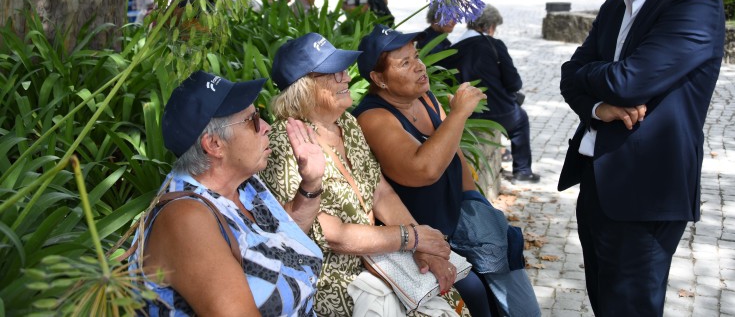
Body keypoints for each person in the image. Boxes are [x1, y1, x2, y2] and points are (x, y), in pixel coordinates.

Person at [558, 0, 726, 316]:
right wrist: (599, 106)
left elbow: (628, 82)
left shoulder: (695, 1)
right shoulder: (618, 5)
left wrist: (593, 77)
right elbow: (568, 77)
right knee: (606, 304)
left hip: (644, 192)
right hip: (598, 181)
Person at [261, 33, 459, 316]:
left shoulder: (347, 123)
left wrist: (422, 245)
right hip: (334, 277)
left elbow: (380, 191)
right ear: (303, 89)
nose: (345, 77)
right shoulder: (285, 141)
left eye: (343, 69)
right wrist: (410, 238)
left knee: (449, 296)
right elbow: (330, 234)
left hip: (379, 257)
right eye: (333, 73)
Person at [353, 25, 542, 317]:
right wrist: (459, 113)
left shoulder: (423, 98)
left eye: (416, 56)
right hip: (424, 233)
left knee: (515, 289)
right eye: (405, 63)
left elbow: (455, 155)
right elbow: (423, 170)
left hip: (461, 217)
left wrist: (477, 205)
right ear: (379, 79)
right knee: (478, 294)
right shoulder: (374, 117)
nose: (419, 66)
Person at [128, 71, 325, 316]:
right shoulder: (185, 219)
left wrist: (311, 183)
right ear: (214, 145)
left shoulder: (245, 185)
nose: (265, 127)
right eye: (253, 120)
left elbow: (282, 243)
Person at [443, 4, 540, 184]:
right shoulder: (494, 45)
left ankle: (505, 156)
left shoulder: (454, 49)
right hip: (500, 110)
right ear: (489, 26)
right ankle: (523, 172)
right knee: (521, 120)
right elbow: (514, 83)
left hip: (470, 112)